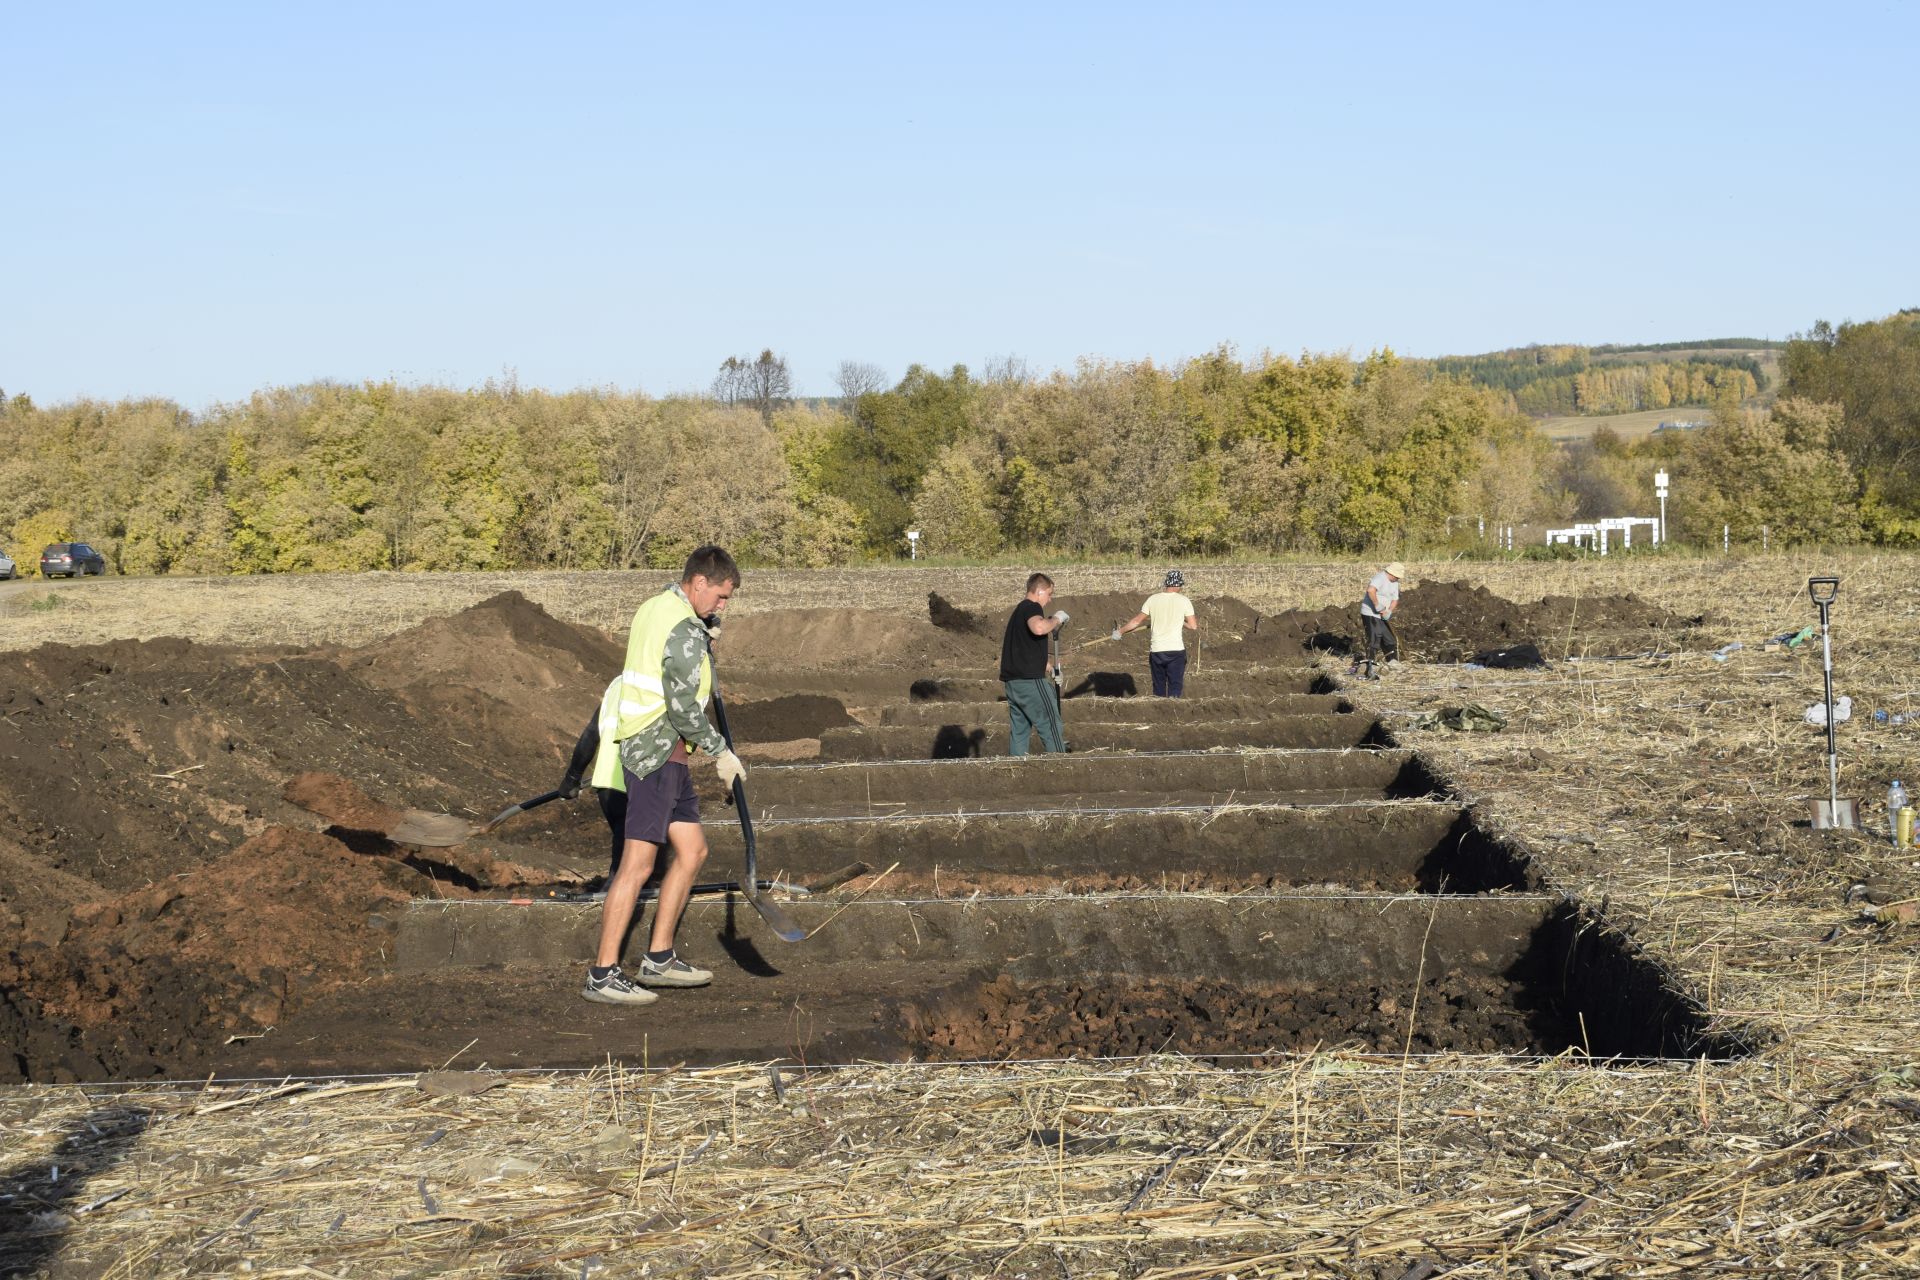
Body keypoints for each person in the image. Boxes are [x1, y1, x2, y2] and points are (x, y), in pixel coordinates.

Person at [582, 545, 746, 1006]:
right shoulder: (684, 629)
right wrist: (722, 752)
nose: (723, 606)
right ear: (698, 584)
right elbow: (683, 707)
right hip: (654, 752)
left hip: (666, 752)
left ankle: (659, 957)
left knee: (693, 850)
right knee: (638, 865)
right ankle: (602, 973)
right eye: (720, 596)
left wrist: (703, 630)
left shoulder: (658, 607)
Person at [1000, 572, 1069, 755]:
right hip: (1030, 682)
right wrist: (1057, 619)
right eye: (1049, 593)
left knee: (1020, 731)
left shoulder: (1018, 612)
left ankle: (1017, 771)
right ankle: (1061, 767)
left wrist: (1050, 668)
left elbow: (1024, 649)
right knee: (1051, 724)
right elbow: (1039, 628)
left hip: (1013, 684)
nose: (1050, 599)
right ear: (1039, 591)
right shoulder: (1031, 607)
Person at [1112, 569, 1198, 697]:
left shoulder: (1152, 599)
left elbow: (1136, 621)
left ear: (1167, 583)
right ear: (1178, 584)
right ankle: (1173, 711)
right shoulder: (1184, 601)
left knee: (1159, 686)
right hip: (1176, 651)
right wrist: (1181, 621)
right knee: (1175, 685)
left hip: (1157, 651)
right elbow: (1193, 626)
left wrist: (1120, 632)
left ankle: (1160, 711)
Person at [1357, 561, 1405, 680]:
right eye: (1397, 576)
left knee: (1390, 640)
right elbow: (1371, 590)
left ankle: (1392, 662)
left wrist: (1389, 611)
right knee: (1375, 639)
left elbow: (1395, 599)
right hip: (1370, 613)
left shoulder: (1395, 582)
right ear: (1391, 573)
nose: (1398, 578)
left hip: (1382, 614)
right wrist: (1377, 605)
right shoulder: (1380, 577)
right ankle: (1370, 667)